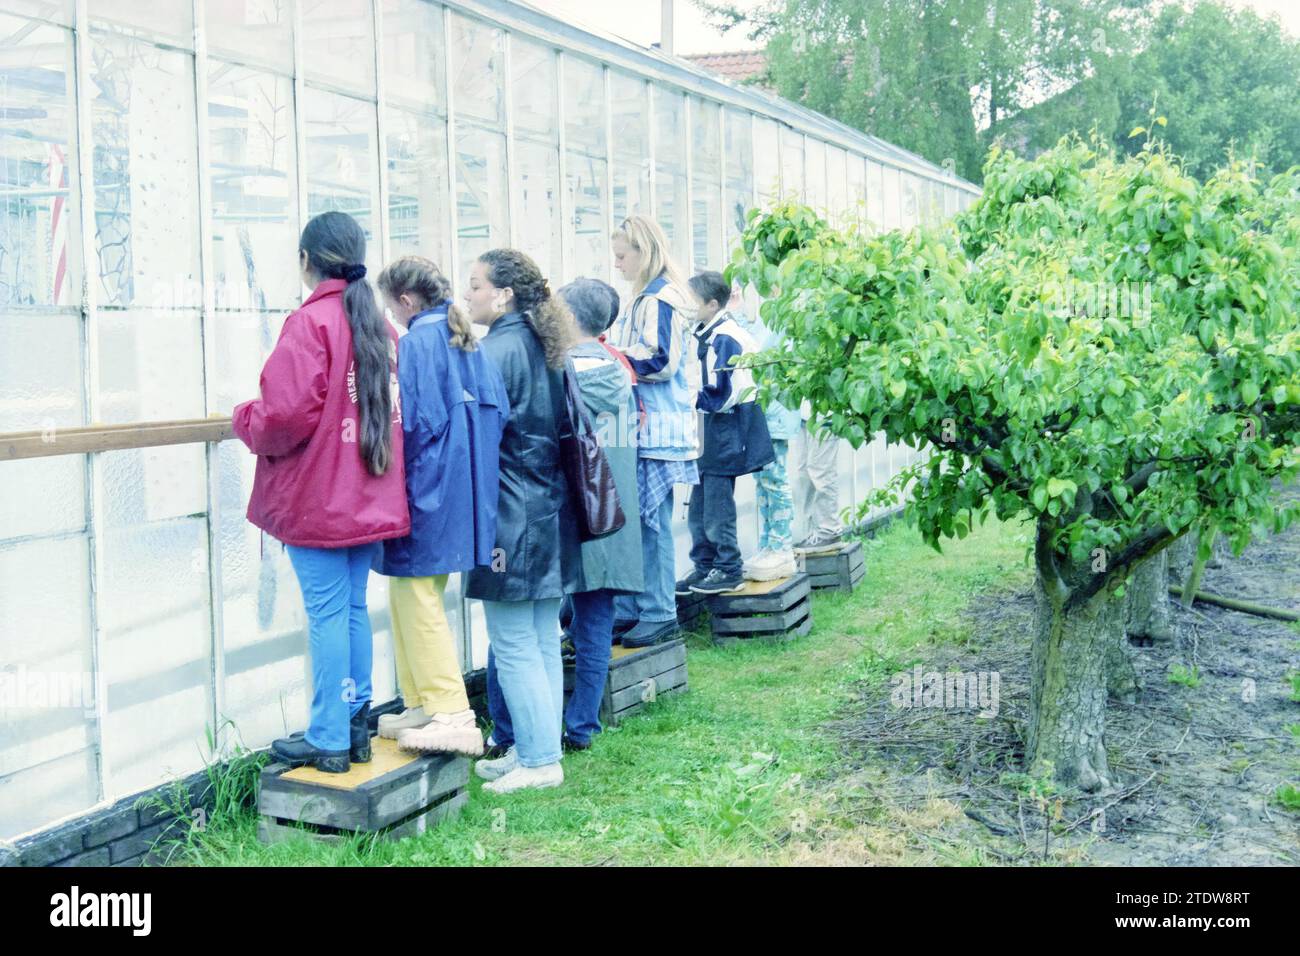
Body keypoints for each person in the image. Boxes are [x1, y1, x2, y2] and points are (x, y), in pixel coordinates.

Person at [232, 210, 409, 773]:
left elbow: (283, 415)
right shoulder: (378, 325)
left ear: (307, 261)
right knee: (352, 608)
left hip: (322, 500)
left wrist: (244, 419)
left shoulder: (310, 324)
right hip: (369, 494)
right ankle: (354, 721)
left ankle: (330, 736)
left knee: (330, 615)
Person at [372, 256, 509, 757]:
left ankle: (451, 711)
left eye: (391, 304)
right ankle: (424, 702)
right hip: (466, 487)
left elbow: (409, 423)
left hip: (427, 489)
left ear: (406, 301)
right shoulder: (468, 341)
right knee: (412, 592)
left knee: (416, 592)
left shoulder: (417, 343)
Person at [463, 248, 581, 794]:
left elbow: (475, 440)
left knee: (514, 640)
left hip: (509, 513)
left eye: (476, 286)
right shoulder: (545, 344)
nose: (468, 297)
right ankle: (540, 749)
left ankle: (538, 760)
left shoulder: (495, 351)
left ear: (504, 294)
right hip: (548, 505)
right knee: (537, 637)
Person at [557, 277, 644, 749]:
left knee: (535, 624)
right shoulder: (621, 372)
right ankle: (583, 726)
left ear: (567, 318)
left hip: (569, 517)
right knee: (595, 627)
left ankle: (527, 725)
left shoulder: (558, 372)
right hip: (614, 518)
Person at [606, 215, 700, 648]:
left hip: (658, 430)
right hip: (650, 428)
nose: (619, 265)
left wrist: (612, 360)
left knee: (652, 525)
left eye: (623, 256)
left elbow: (661, 360)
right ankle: (636, 608)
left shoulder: (658, 299)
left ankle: (660, 611)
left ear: (644, 252)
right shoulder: (646, 296)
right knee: (641, 524)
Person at [677, 271, 775, 596]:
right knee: (699, 501)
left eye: (693, 302)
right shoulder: (707, 331)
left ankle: (729, 568)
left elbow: (724, 391)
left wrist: (688, 399)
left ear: (712, 303)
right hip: (710, 426)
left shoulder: (726, 336)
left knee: (717, 503)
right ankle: (705, 565)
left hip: (725, 425)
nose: (687, 307)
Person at [730, 284, 801, 581]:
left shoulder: (784, 316)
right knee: (764, 480)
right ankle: (770, 544)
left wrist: (736, 315)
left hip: (775, 412)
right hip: (765, 413)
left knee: (774, 479)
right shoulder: (769, 315)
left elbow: (759, 351)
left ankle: (781, 546)